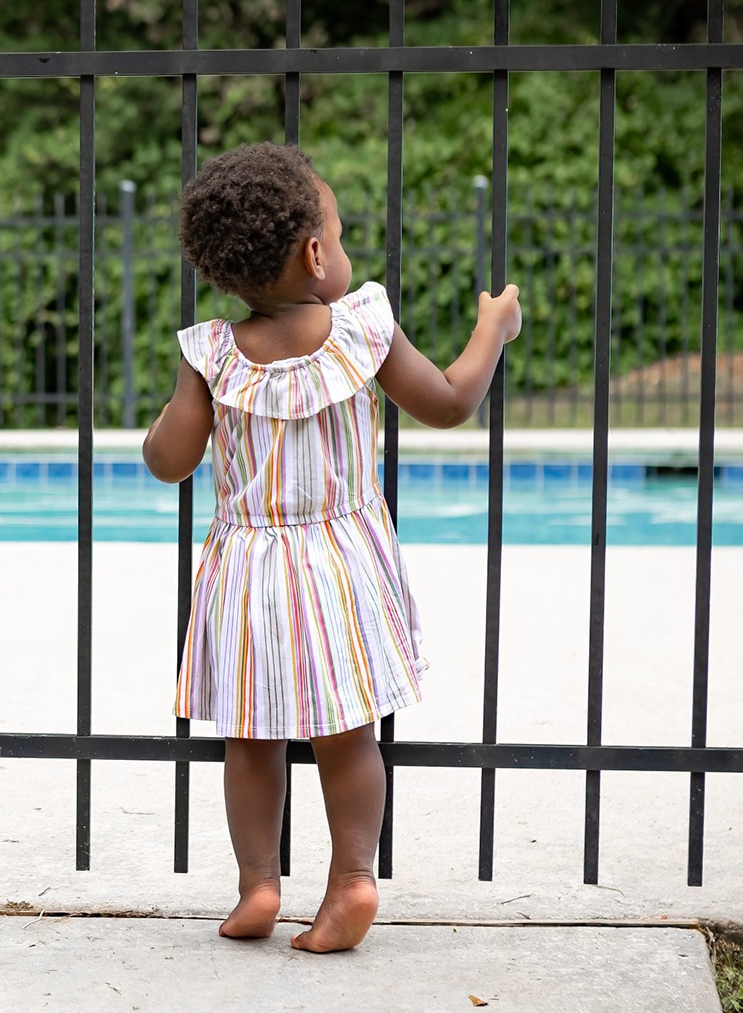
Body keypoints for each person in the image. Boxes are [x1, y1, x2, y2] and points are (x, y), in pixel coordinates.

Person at [142, 142, 521, 952]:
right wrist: (493, 329)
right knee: (348, 732)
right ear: (316, 254)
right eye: (340, 234)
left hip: (247, 570)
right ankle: (351, 879)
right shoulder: (363, 331)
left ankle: (257, 885)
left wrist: (181, 403)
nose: (344, 248)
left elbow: (168, 461)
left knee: (250, 736)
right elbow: (450, 402)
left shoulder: (210, 355)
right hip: (341, 566)